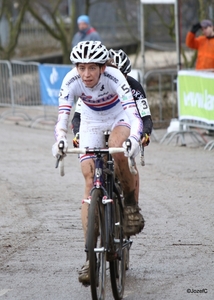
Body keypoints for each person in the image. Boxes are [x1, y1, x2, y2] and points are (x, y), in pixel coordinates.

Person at [52, 41, 144, 285]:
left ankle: (131, 204)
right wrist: (60, 140)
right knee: (88, 176)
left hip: (118, 117)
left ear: (103, 68)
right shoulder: (71, 81)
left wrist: (134, 139)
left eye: (92, 68)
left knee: (117, 147)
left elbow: (134, 116)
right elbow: (63, 116)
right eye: (81, 67)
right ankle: (89, 257)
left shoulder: (115, 77)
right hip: (91, 121)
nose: (86, 74)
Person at [71, 49, 153, 148]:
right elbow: (77, 116)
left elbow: (145, 116)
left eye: (121, 76)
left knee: (123, 149)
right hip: (98, 123)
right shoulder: (92, 87)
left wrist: (145, 133)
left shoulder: (134, 86)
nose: (117, 80)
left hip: (123, 121)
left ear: (126, 75)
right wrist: (77, 133)